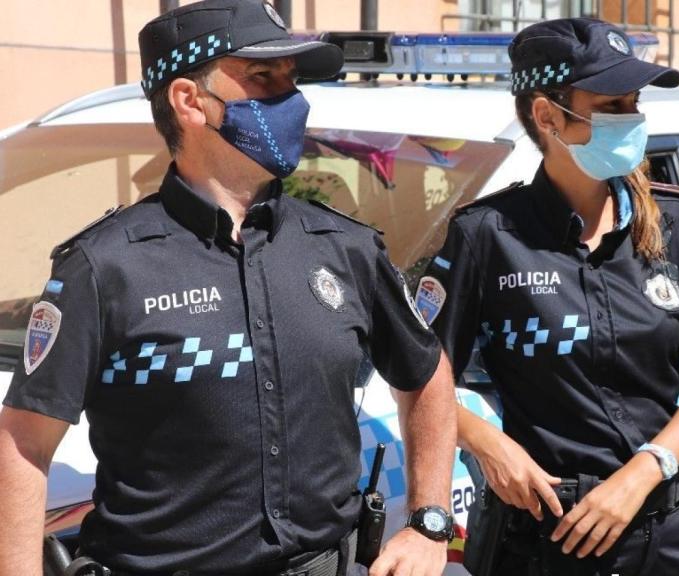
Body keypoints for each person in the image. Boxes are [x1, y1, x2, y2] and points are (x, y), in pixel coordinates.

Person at [0, 2, 457, 575]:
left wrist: (428, 522)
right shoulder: (104, 267)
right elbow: (24, 444)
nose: (292, 100)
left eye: (292, 80)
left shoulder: (345, 249)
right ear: (190, 101)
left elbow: (428, 375)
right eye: (263, 78)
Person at [416, 17, 679, 576]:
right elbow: (421, 372)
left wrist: (642, 473)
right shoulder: (487, 235)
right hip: (545, 542)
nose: (631, 119)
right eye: (612, 106)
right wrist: (487, 443)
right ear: (548, 117)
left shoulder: (674, 223)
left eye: (634, 103)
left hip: (666, 535)